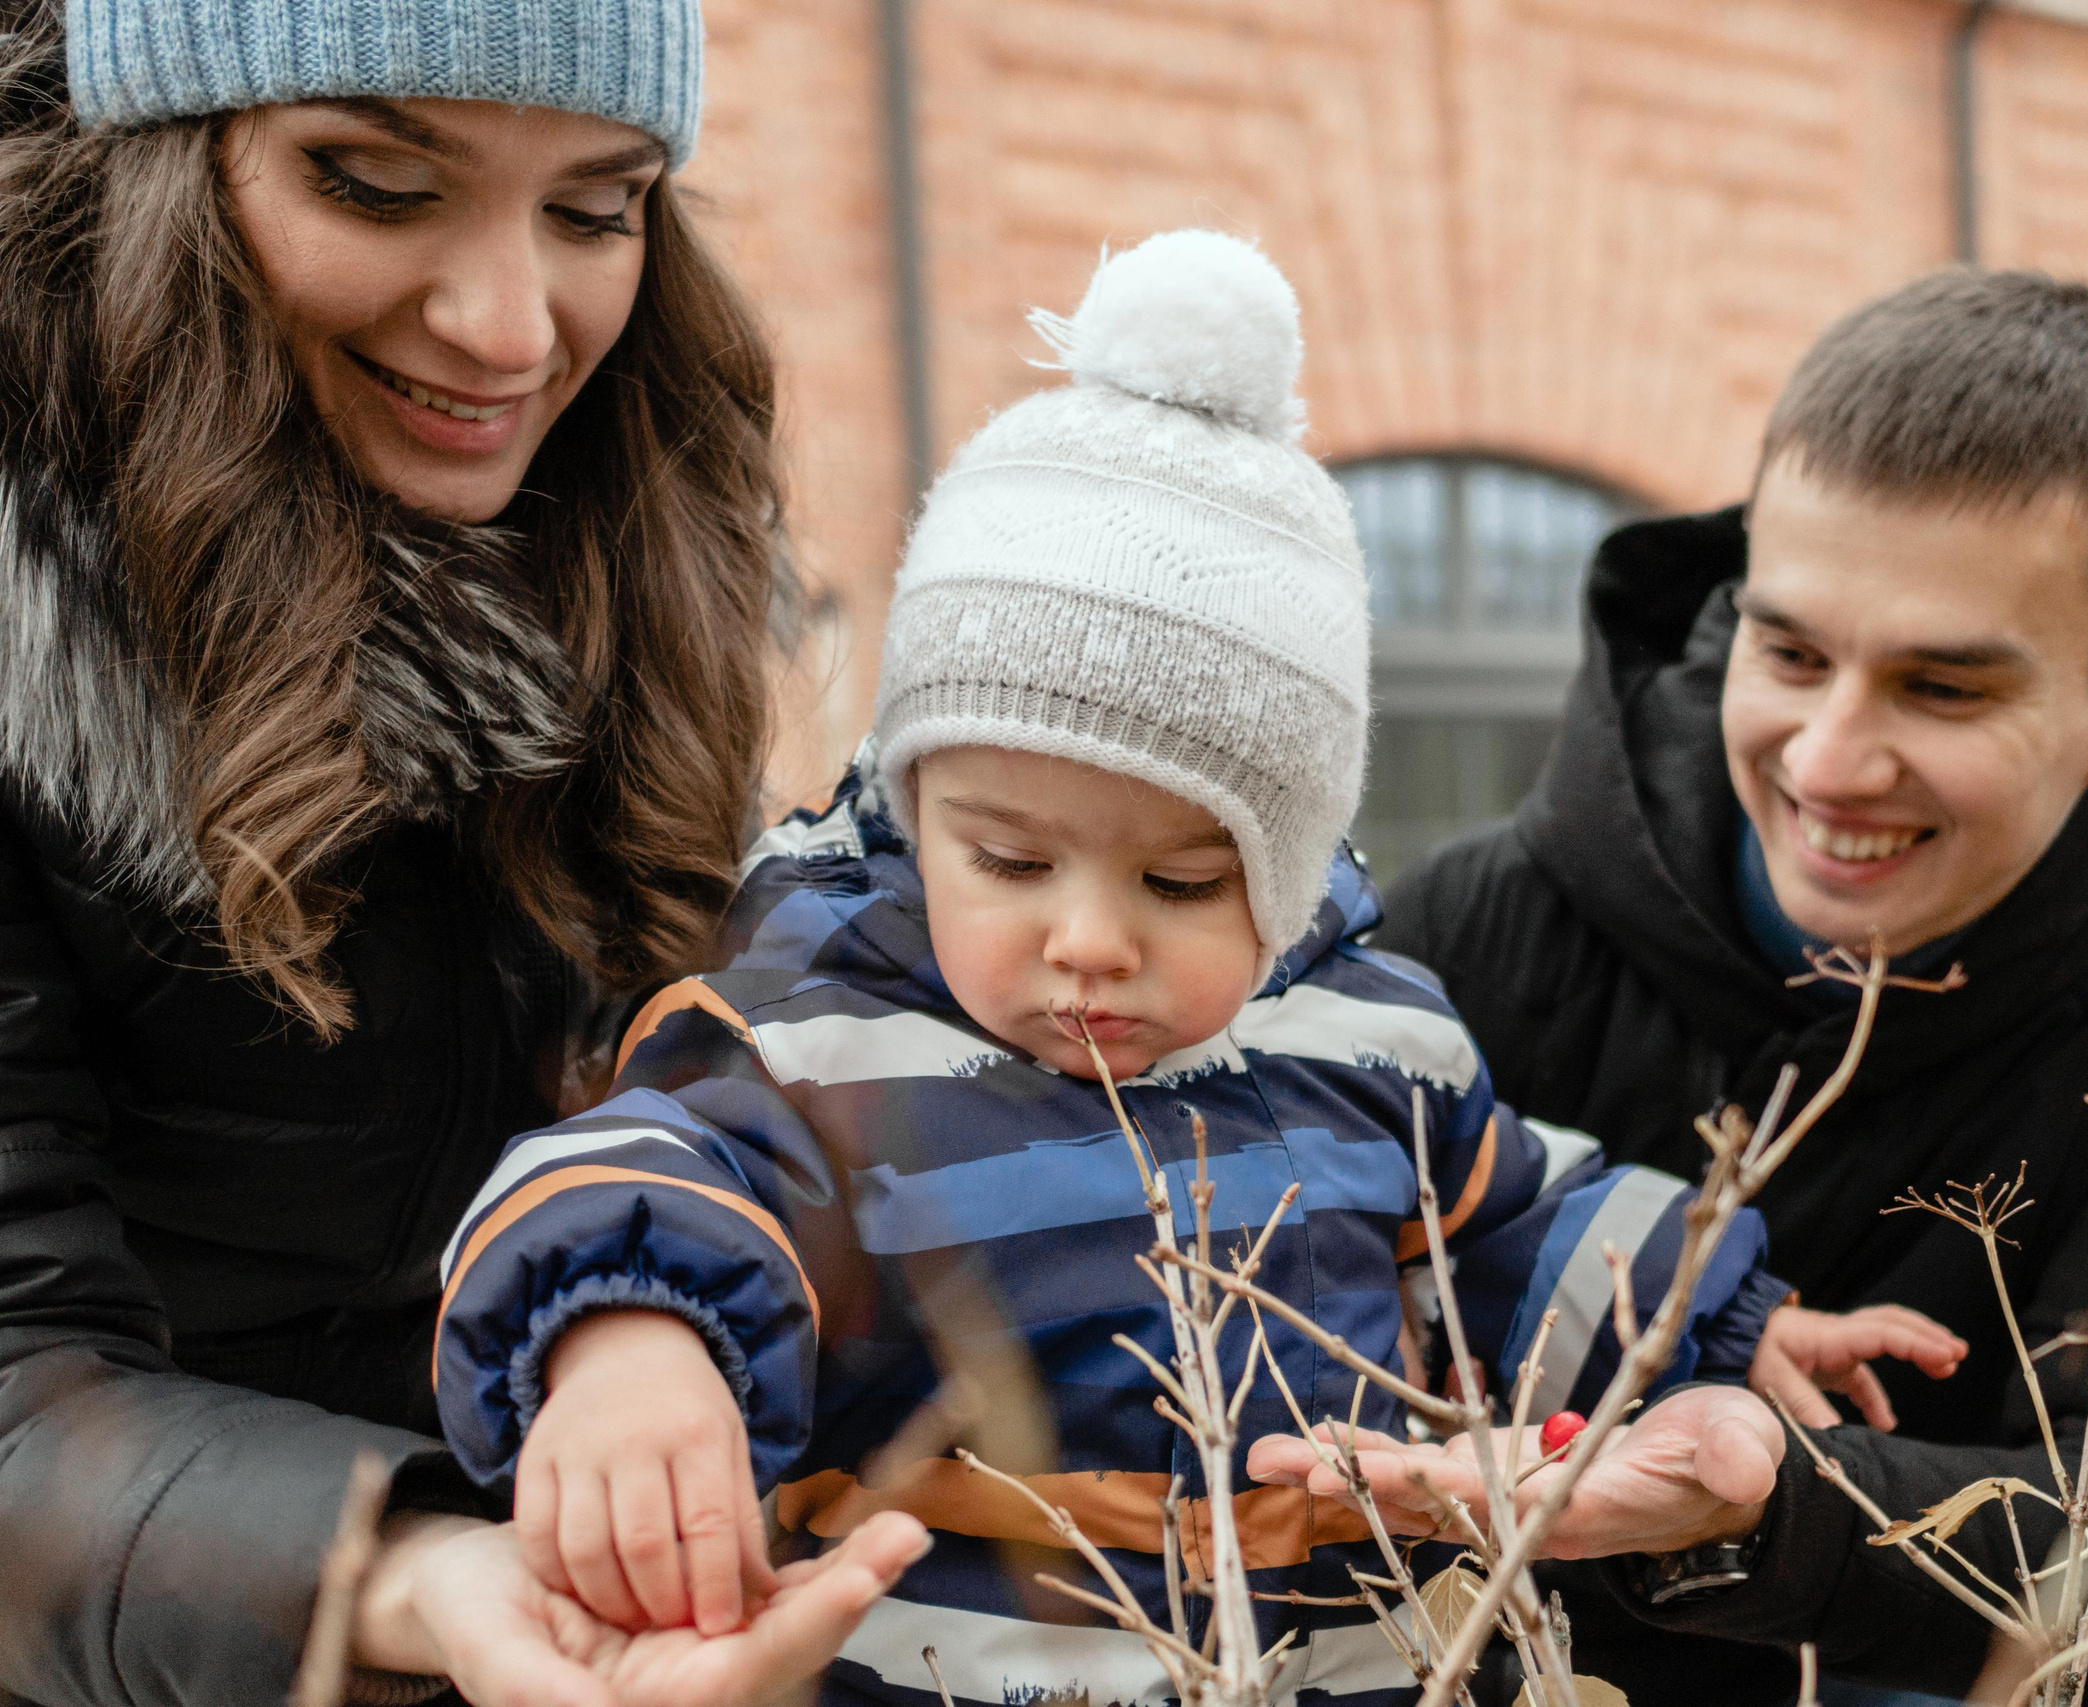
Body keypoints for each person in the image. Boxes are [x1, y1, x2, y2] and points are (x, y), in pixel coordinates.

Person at [429, 232, 1964, 1707]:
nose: (1087, 936)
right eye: (1009, 861)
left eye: (1181, 879)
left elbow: (1513, 1221)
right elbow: (636, 1169)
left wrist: (1725, 1315)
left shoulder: (1367, 1037)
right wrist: (630, 1344)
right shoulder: (817, 1044)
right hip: (948, 1667)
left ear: (1289, 876)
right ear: (912, 813)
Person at [1247, 271, 2088, 1701]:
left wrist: (1775, 1504)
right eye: (1790, 652)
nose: (1829, 760)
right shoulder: (1478, 926)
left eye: (1943, 689)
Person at [0, 2, 926, 1703]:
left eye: (596, 209)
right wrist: (412, 1570)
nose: (511, 329)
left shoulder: (624, 549)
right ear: (146, 176)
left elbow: (747, 1115)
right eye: (372, 182)